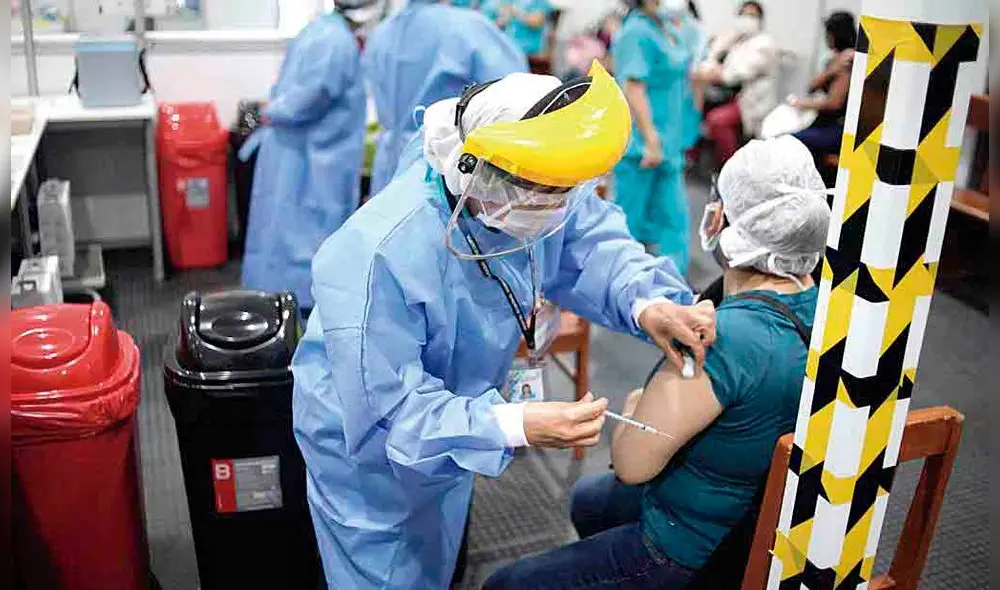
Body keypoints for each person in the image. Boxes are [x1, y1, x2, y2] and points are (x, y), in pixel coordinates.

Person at [292, 62, 717, 590]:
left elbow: (593, 244)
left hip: (456, 412)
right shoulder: (378, 254)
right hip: (371, 455)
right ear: (479, 173)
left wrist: (646, 302)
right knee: (387, 568)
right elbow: (390, 414)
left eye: (567, 192)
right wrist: (513, 425)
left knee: (440, 550)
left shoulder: (529, 189)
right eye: (547, 196)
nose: (560, 208)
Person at [484, 135, 830, 590]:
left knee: (505, 585)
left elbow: (631, 463)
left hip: (688, 547)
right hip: (759, 518)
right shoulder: (827, 308)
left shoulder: (724, 335)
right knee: (589, 500)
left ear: (724, 219)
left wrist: (634, 405)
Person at [239, 2, 369, 314]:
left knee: (280, 236)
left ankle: (281, 310)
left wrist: (270, 112)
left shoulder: (318, 29)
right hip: (312, 160)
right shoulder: (336, 42)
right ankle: (303, 317)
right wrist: (274, 113)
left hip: (293, 151)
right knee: (307, 239)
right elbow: (310, 96)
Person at [362, 0, 527, 196]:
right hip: (442, 169)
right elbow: (520, 103)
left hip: (388, 165)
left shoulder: (383, 32)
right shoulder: (468, 29)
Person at [612, 0, 692, 273]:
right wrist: (651, 140)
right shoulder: (636, 31)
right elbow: (633, 87)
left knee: (674, 220)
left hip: (670, 140)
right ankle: (618, 285)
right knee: (628, 223)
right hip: (644, 144)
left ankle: (672, 288)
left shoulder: (666, 26)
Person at [693, 0, 778, 168]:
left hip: (749, 103)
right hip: (726, 96)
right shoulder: (738, 39)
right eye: (744, 14)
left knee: (716, 121)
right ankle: (691, 159)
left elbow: (734, 74)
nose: (747, 19)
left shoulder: (764, 44)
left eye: (752, 15)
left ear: (761, 20)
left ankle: (732, 169)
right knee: (693, 109)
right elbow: (711, 57)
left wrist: (715, 72)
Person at [790, 11, 856, 169]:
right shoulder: (836, 60)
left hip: (838, 127)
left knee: (790, 142)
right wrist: (833, 69)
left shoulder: (849, 62)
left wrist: (804, 104)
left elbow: (834, 103)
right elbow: (811, 87)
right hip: (825, 122)